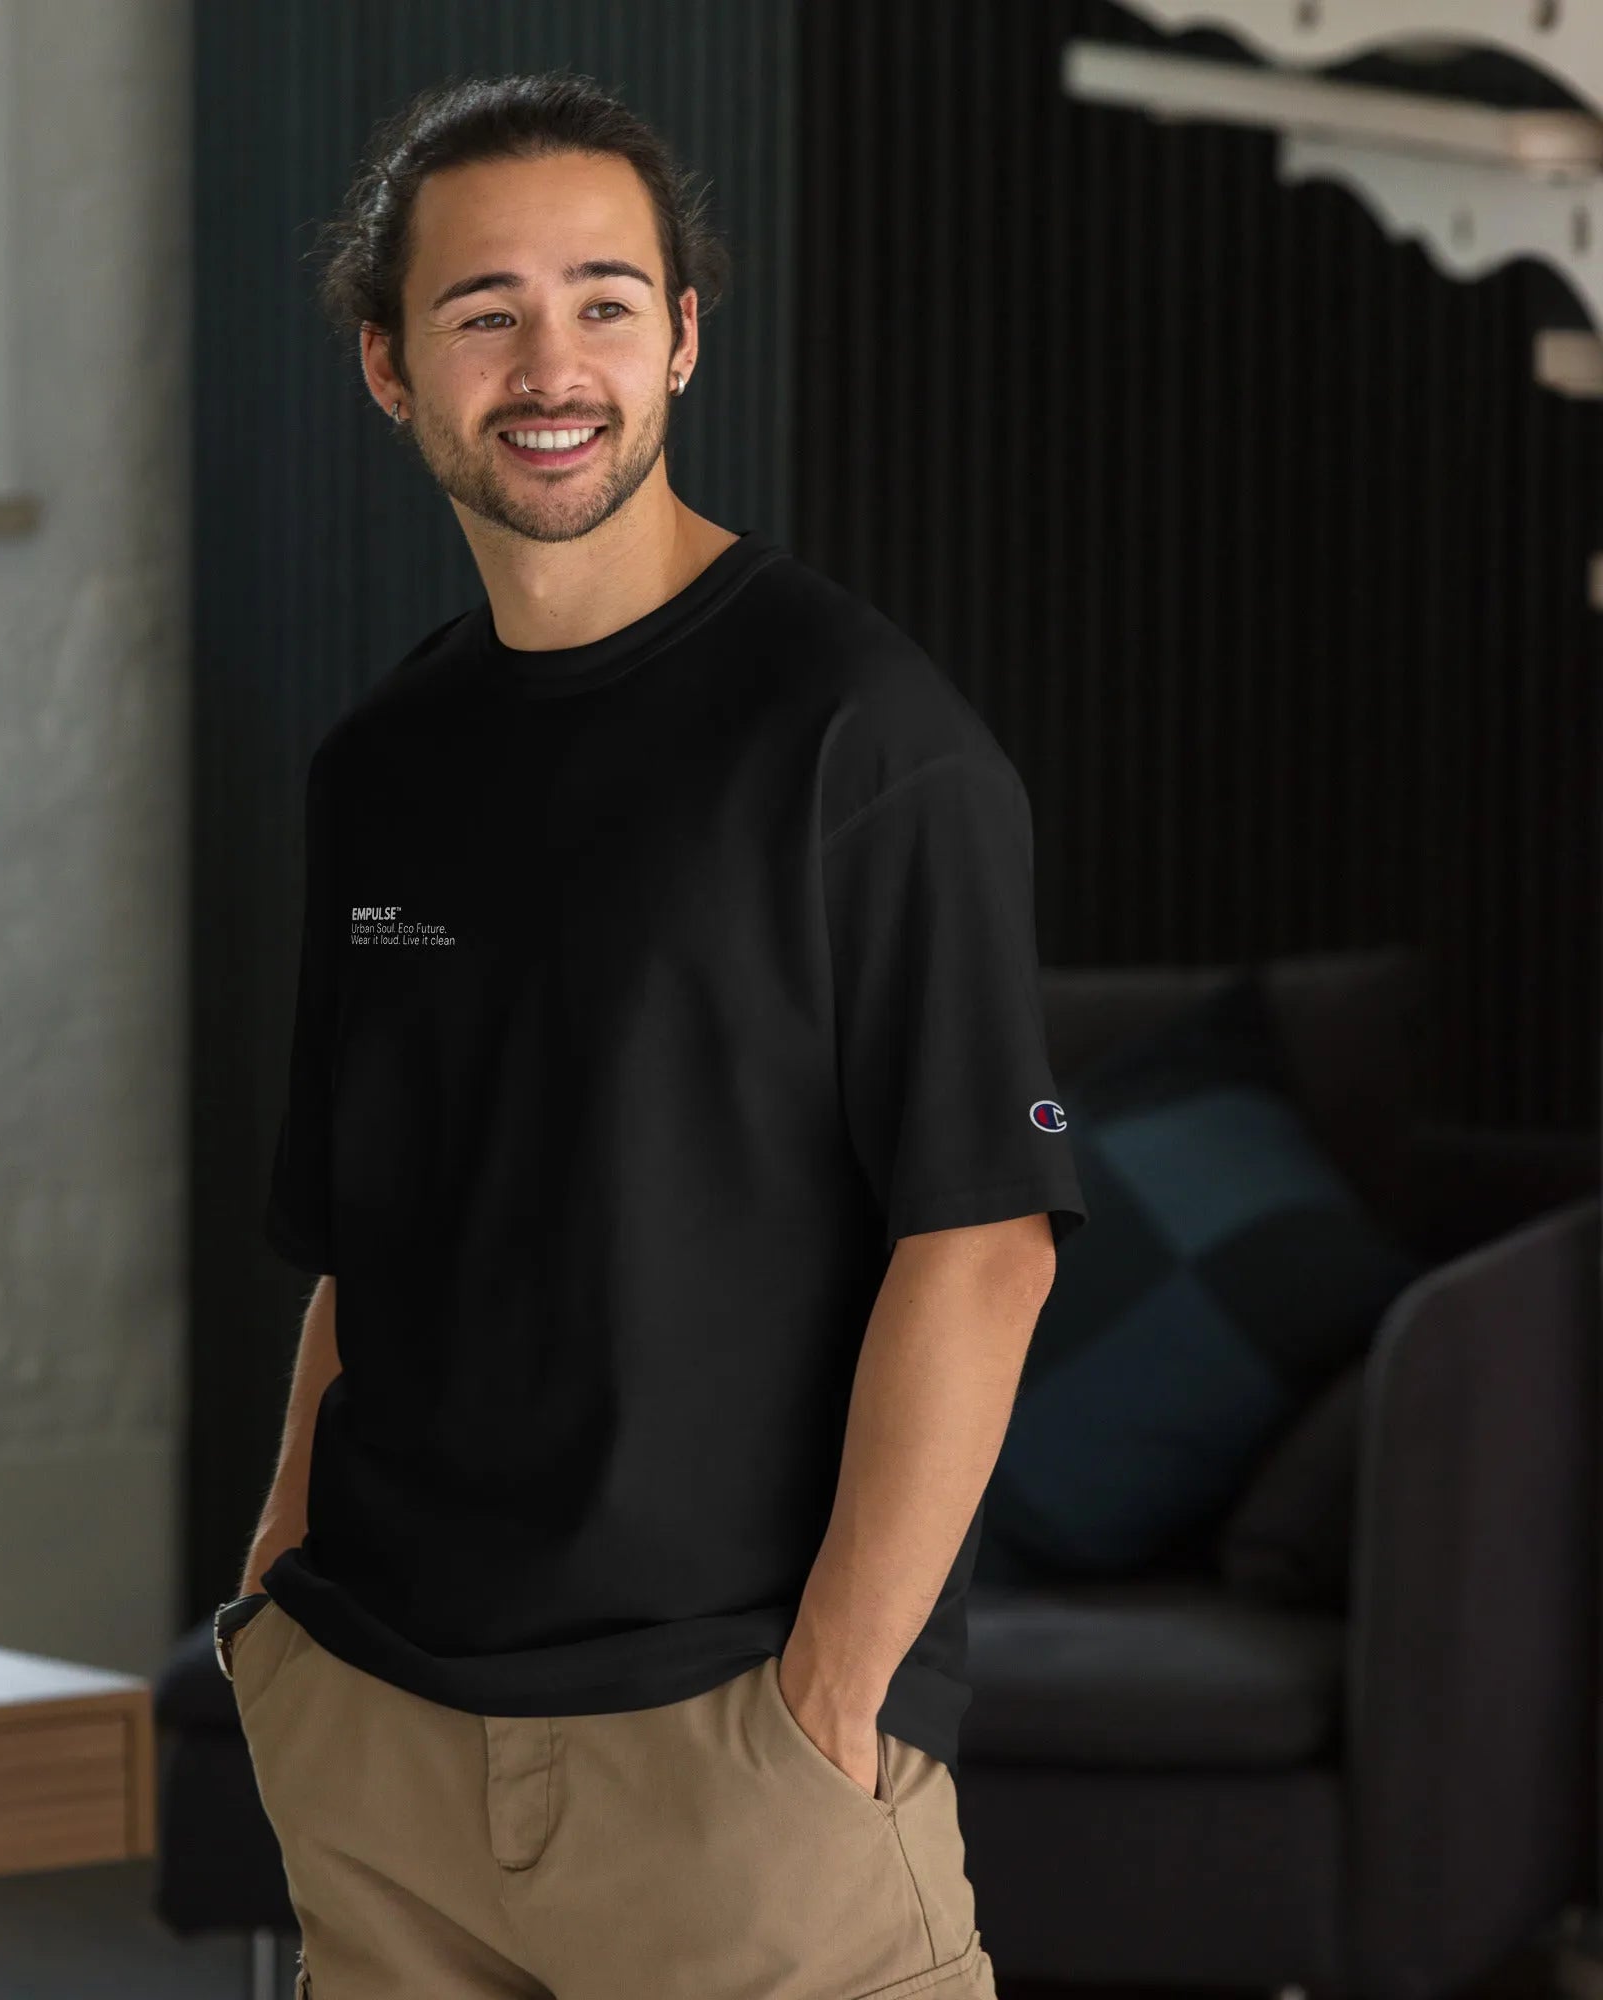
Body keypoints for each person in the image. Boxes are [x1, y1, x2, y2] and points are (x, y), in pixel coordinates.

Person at [218, 67, 1087, 2000]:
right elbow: (371, 1237)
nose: (554, 364)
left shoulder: (866, 743)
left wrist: (828, 1712)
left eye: (607, 302)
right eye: (485, 311)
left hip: (730, 1770)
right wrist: (277, 1598)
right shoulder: (384, 767)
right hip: (381, 1742)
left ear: (683, 341)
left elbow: (986, 1245)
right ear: (390, 368)